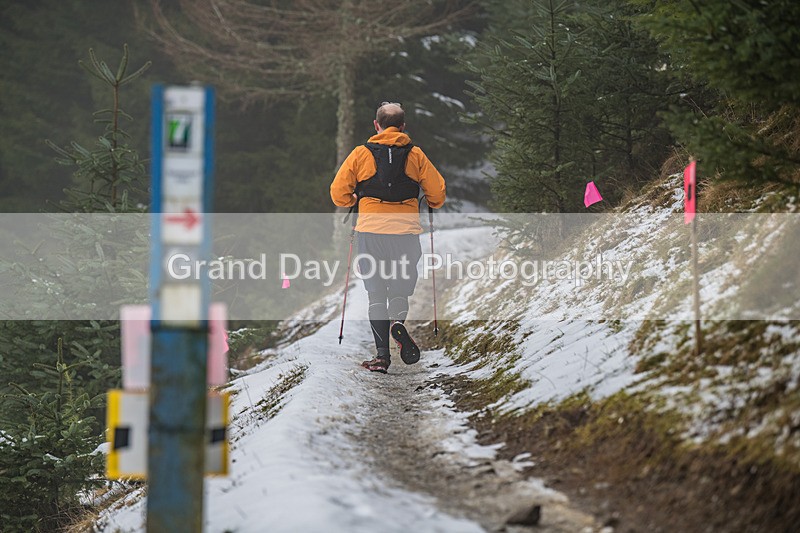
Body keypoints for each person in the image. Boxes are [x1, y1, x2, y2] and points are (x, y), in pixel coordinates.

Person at [330, 102, 446, 373]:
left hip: (370, 233)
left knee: (376, 293)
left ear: (376, 125)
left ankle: (382, 356)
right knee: (400, 289)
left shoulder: (361, 154)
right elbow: (438, 196)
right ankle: (397, 323)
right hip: (405, 234)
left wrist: (356, 197)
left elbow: (338, 193)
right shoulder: (415, 155)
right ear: (403, 126)